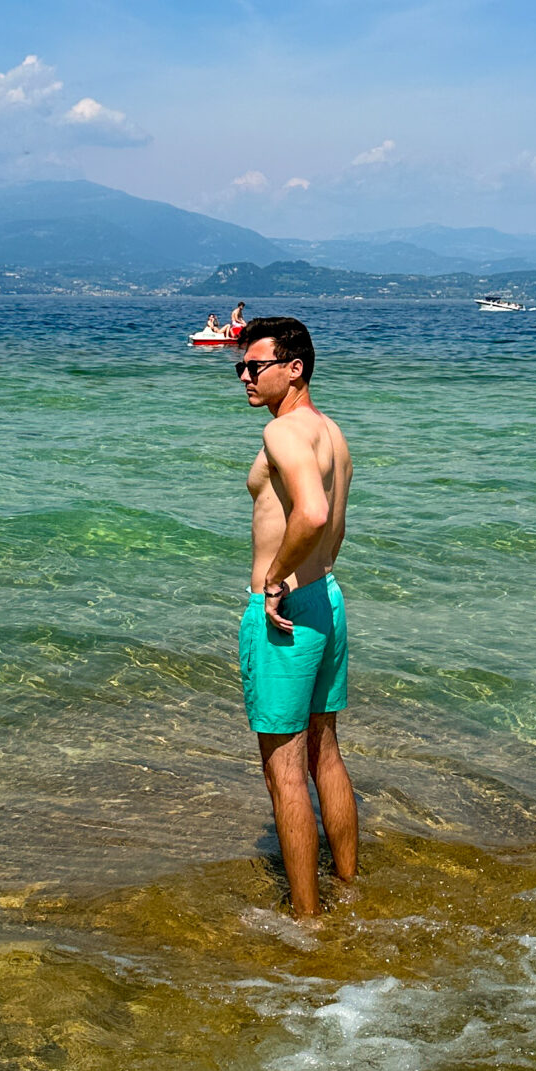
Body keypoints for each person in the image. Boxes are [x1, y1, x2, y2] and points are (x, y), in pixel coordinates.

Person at [234, 317, 357, 918]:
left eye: (255, 367)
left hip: (285, 612)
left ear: (294, 368)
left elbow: (309, 514)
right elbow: (337, 524)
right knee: (325, 753)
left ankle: (308, 924)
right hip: (326, 599)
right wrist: (310, 581)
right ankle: (350, 887)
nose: (244, 377)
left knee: (284, 772)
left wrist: (278, 581)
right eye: (240, 367)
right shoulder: (331, 432)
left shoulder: (283, 433)